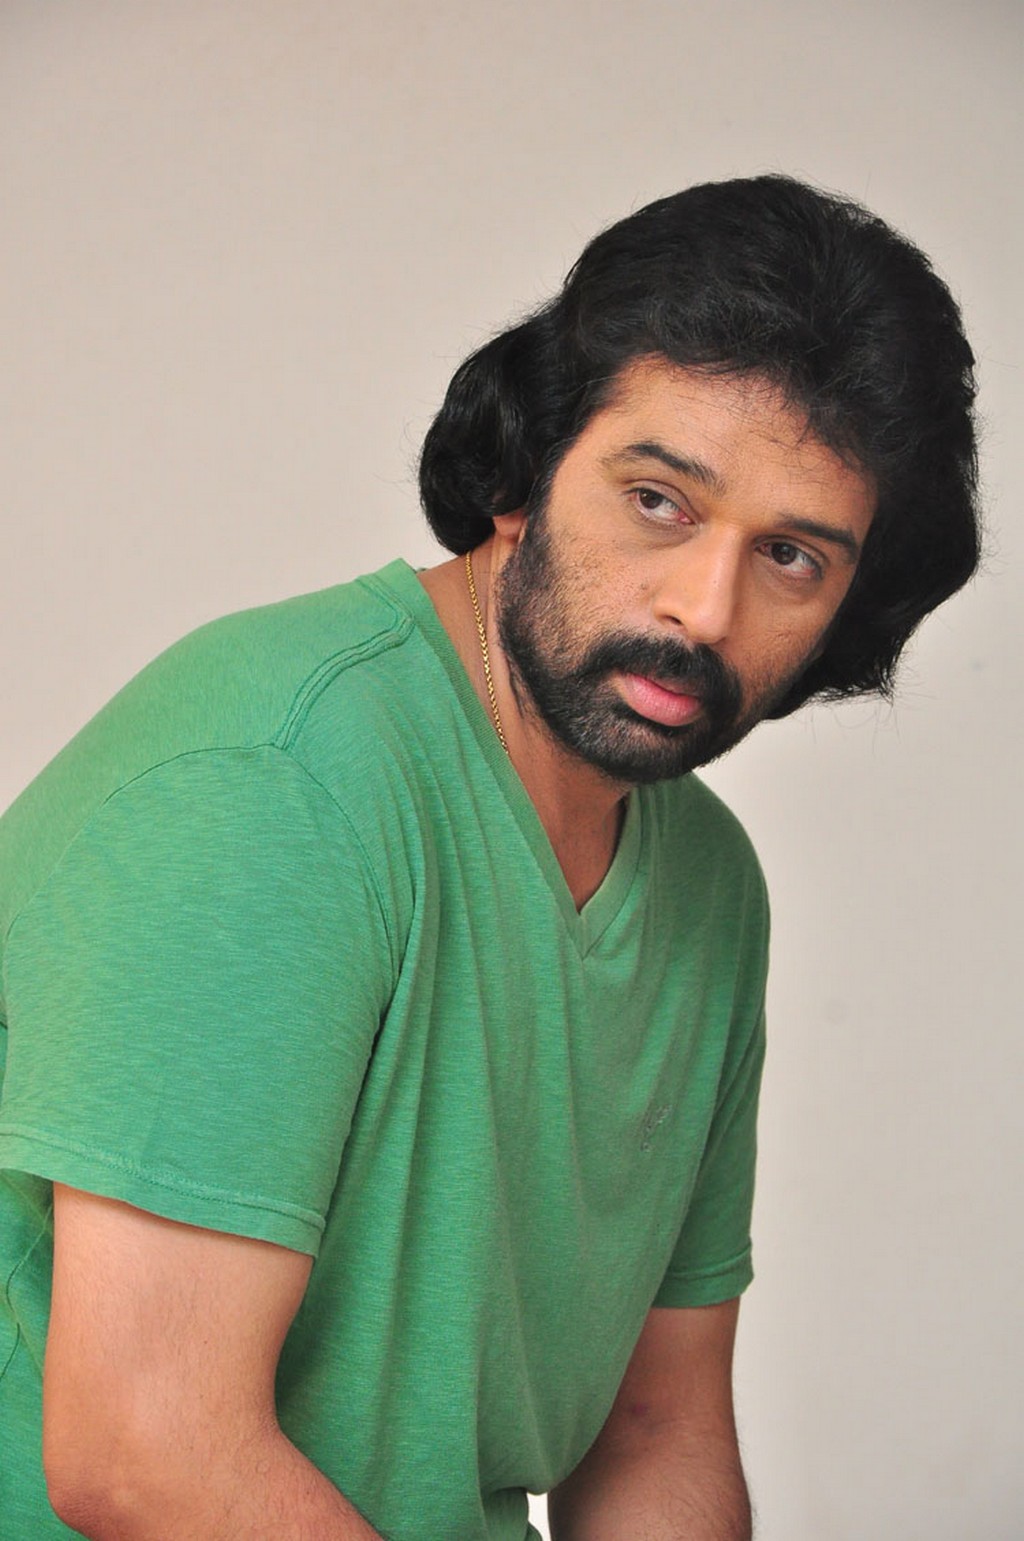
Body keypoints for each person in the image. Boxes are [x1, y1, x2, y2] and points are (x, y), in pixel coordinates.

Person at [0, 174, 979, 1541]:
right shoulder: (274, 784)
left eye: (793, 557)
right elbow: (146, 1451)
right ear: (521, 474)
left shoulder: (709, 885)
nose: (704, 608)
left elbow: (656, 1432)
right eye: (658, 500)